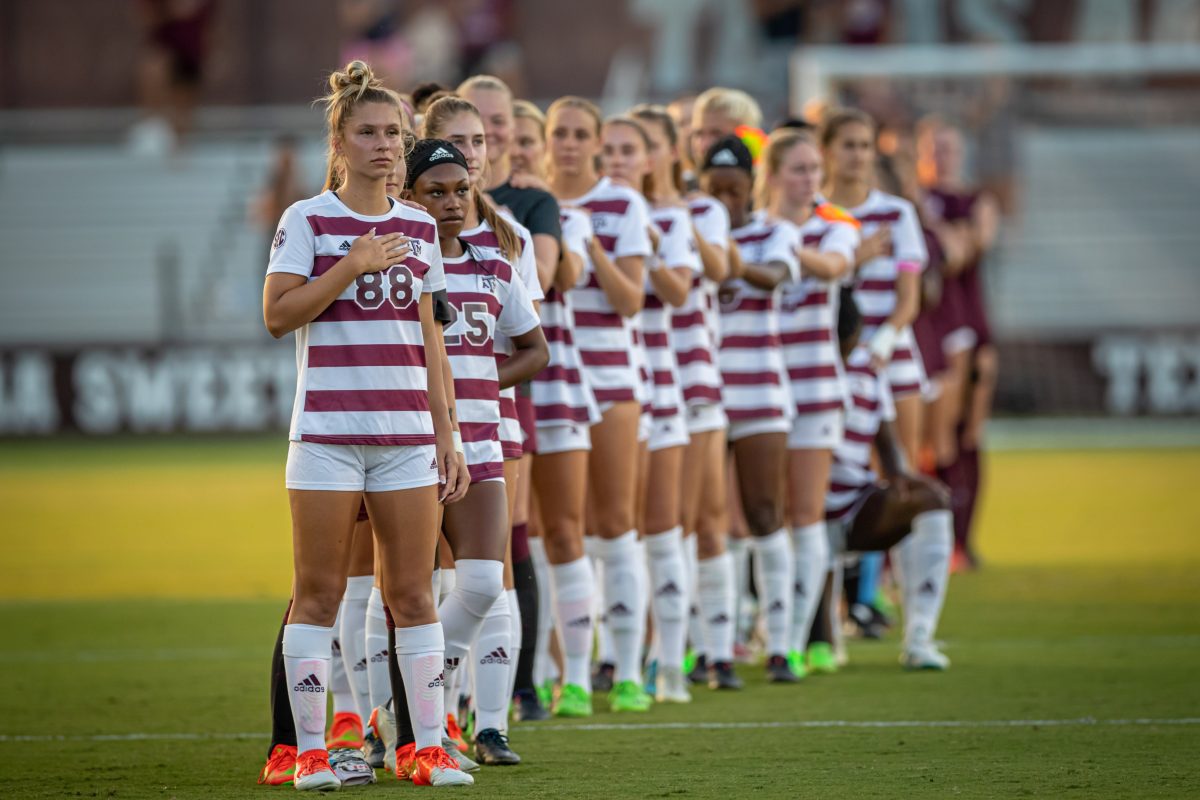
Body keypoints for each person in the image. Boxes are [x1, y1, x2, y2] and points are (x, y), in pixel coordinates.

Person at [261, 61, 472, 789]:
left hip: (407, 438)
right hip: (324, 435)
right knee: (317, 593)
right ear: (340, 141)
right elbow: (277, 315)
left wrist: (450, 434)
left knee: (412, 595)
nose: (384, 145)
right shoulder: (307, 219)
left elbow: (431, 339)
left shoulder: (418, 224)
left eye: (393, 134)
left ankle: (427, 749)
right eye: (368, 133)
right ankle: (312, 754)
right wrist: (349, 266)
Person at [404, 137, 548, 768]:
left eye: (461, 191)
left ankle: (408, 706)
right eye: (436, 192)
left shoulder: (495, 262)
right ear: (408, 196)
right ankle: (412, 727)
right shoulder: (396, 264)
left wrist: (479, 384)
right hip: (410, 446)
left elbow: (535, 349)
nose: (452, 203)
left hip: (484, 440)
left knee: (486, 583)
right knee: (408, 590)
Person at [458, 74, 564, 719]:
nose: (486, 141)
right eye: (470, 131)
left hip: (500, 396)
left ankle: (513, 690)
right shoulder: (410, 220)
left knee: (509, 540)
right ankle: (442, 701)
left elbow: (537, 309)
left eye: (494, 127)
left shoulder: (517, 221)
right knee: (439, 558)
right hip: (419, 410)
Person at [545, 96, 654, 714]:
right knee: (561, 533)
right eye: (559, 132)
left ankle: (631, 667)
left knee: (616, 525)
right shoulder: (525, 201)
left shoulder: (623, 203)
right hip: (555, 375)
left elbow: (632, 299)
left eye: (580, 134)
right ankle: (572, 677)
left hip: (612, 376)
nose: (569, 144)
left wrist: (589, 245)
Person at [758, 129, 861, 677]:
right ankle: (756, 632)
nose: (809, 180)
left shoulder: (834, 224)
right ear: (772, 175)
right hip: (755, 384)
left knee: (805, 515)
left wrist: (781, 251)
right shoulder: (753, 226)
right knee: (754, 516)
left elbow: (835, 267)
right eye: (797, 170)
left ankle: (793, 639)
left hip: (814, 386)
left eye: (814, 170)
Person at [700, 135, 802, 684]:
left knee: (766, 514)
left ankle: (782, 645)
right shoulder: (690, 229)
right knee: (709, 522)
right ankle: (716, 648)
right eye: (714, 191)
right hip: (708, 395)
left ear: (751, 189)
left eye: (733, 192)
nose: (724, 202)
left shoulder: (775, 233)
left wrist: (724, 254)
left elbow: (775, 275)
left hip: (761, 393)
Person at [826, 290, 954, 670]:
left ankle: (919, 637)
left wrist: (901, 479)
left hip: (854, 503)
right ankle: (790, 631)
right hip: (804, 510)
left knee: (932, 498)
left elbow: (889, 447)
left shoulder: (868, 369)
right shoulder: (800, 366)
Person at [621, 107, 701, 703]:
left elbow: (677, 290)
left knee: (661, 526)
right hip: (601, 386)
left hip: (661, 381)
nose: (626, 160)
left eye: (637, 149)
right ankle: (613, 657)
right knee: (609, 533)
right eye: (618, 149)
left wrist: (641, 241)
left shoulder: (668, 221)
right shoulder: (581, 214)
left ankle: (668, 660)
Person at [821, 108, 929, 465]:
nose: (858, 155)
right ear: (827, 151)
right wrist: (855, 260)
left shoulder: (897, 214)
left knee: (901, 470)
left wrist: (883, 342)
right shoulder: (816, 214)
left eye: (865, 146)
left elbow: (909, 295)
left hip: (890, 352)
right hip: (835, 354)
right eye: (848, 145)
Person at [919, 120, 1000, 570]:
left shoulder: (974, 200)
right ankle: (935, 539)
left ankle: (964, 542)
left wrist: (933, 223)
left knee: (969, 431)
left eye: (948, 146)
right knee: (934, 439)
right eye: (932, 147)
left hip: (969, 320)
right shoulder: (910, 201)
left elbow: (966, 251)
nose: (940, 155)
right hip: (931, 324)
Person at [690, 87, 764, 175]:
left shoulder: (774, 187)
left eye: (716, 134)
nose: (704, 145)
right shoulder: (684, 184)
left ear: (746, 137)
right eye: (698, 134)